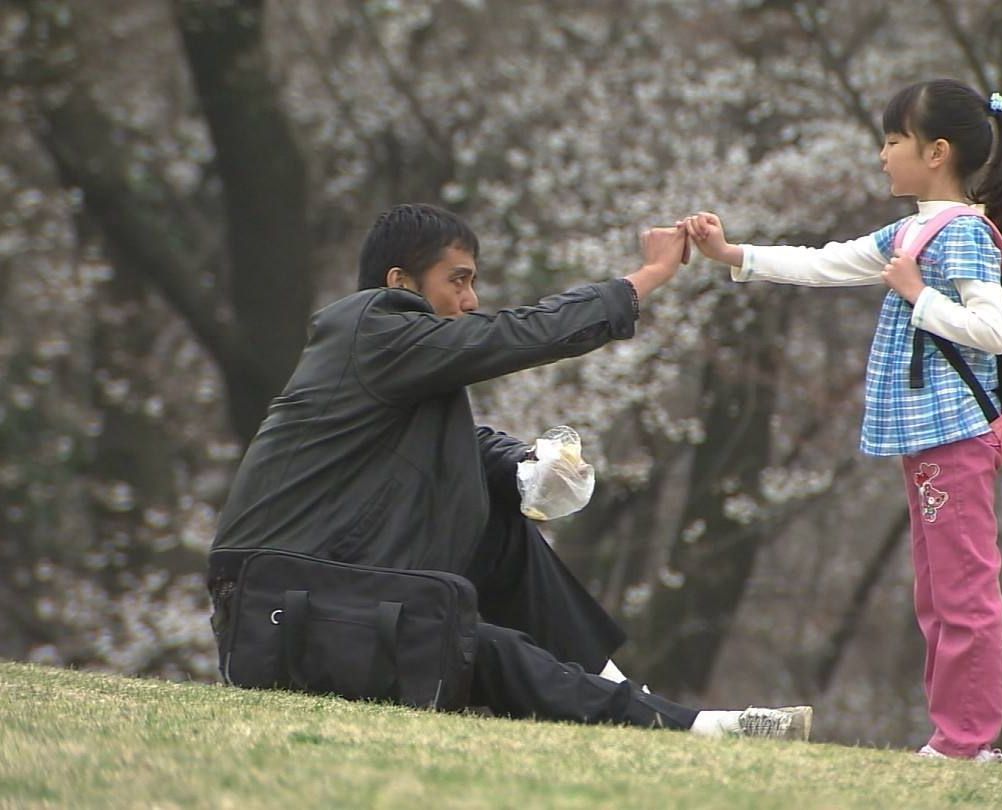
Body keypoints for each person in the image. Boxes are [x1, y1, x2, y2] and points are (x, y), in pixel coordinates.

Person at [207, 202, 812, 741]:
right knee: (472, 643)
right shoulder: (373, 329)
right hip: (273, 604)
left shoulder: (387, 363)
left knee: (501, 525)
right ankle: (692, 728)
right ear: (401, 283)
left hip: (316, 589)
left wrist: (527, 467)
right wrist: (645, 279)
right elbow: (510, 335)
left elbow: (458, 446)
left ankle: (638, 701)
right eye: (458, 281)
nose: (471, 300)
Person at [683, 79, 1002, 761]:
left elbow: (994, 332)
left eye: (894, 140)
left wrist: (917, 295)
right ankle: (954, 734)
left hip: (955, 436)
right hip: (930, 440)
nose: (881, 153)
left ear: (937, 152)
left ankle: (967, 741)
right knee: (937, 590)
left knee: (963, 590)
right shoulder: (913, 229)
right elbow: (824, 264)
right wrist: (733, 256)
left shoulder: (959, 235)